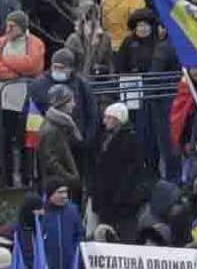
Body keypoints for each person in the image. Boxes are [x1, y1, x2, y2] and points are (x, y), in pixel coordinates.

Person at [0, 11, 45, 189]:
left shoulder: (35, 43)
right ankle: (5, 179)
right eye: (7, 25)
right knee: (3, 141)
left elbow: (32, 65)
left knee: (27, 141)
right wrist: (17, 72)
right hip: (2, 101)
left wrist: (6, 61)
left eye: (12, 26)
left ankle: (28, 178)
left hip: (26, 101)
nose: (8, 29)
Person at [91, 102, 145, 241]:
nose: (105, 121)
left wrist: (122, 195)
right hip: (105, 198)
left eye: (109, 118)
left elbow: (133, 171)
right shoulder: (103, 137)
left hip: (121, 200)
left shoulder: (131, 140)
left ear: (118, 119)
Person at [36, 85, 81, 184]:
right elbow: (50, 161)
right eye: (71, 101)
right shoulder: (51, 129)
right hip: (58, 183)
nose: (74, 104)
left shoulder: (64, 124)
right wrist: (70, 177)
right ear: (62, 104)